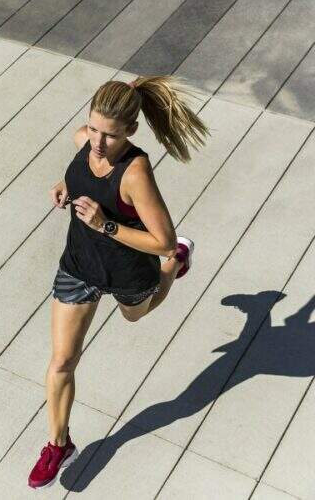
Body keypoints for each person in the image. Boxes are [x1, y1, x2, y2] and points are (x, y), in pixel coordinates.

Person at [28, 76, 209, 489]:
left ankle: (178, 264)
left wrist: (105, 224)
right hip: (79, 266)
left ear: (130, 131)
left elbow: (160, 239)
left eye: (109, 135)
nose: (97, 142)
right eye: (93, 128)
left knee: (136, 315)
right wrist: (64, 185)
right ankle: (58, 444)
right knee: (61, 362)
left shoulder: (135, 172)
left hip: (130, 269)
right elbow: (79, 170)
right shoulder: (84, 141)